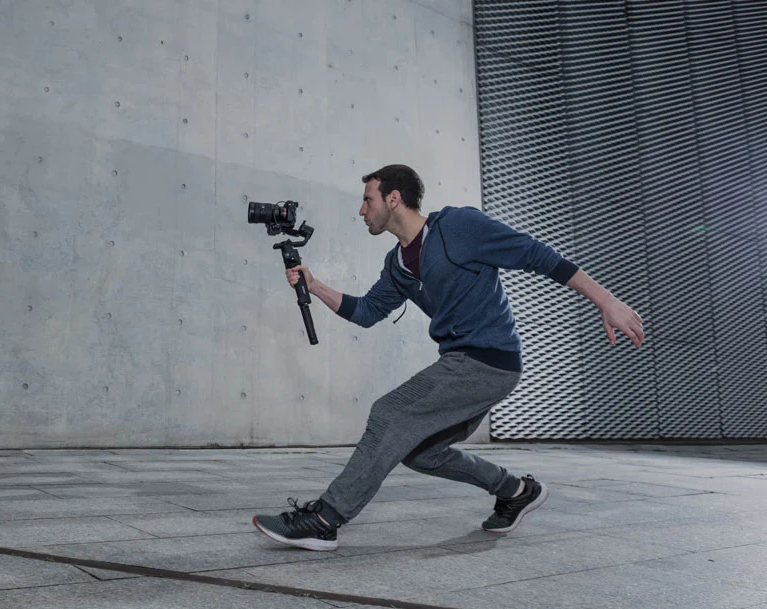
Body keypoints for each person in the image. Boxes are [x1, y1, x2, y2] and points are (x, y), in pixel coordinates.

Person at [252, 164, 645, 551]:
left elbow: (536, 254)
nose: (362, 210)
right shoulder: (398, 264)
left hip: (488, 358)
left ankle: (325, 520)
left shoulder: (458, 226)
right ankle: (515, 490)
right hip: (465, 363)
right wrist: (315, 285)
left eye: (368, 200)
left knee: (389, 414)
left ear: (394, 198)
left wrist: (606, 301)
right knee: (419, 452)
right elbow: (367, 312)